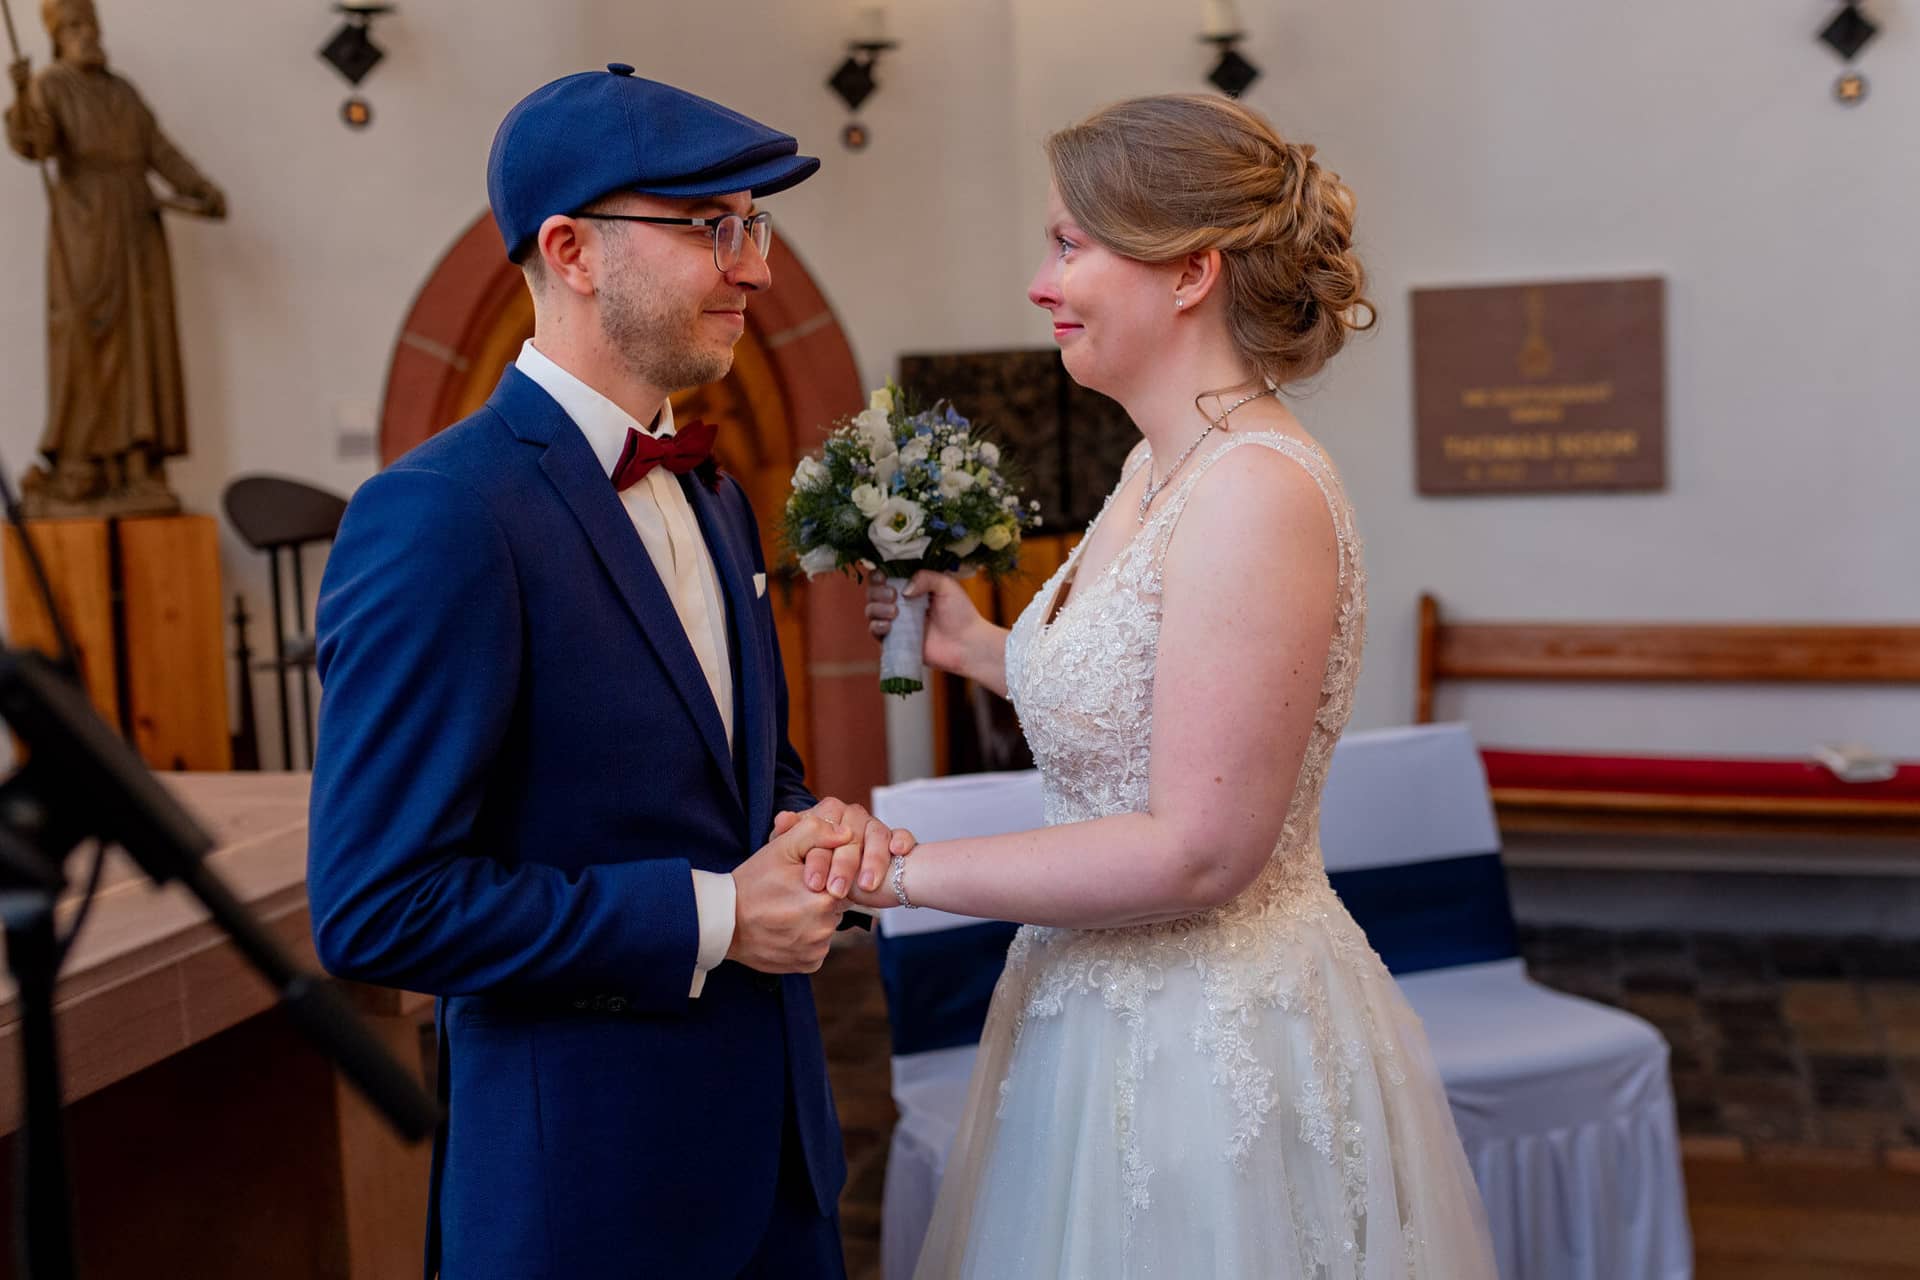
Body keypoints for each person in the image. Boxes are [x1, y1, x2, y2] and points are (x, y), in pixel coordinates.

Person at [861, 94, 1499, 1277]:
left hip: (1209, 1046)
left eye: (1070, 245)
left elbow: (1199, 850)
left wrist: (895, 872)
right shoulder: (1157, 462)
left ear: (1191, 270)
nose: (1041, 283)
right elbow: (1149, 689)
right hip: (1089, 1013)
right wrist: (983, 646)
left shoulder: (1254, 488)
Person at [307, 66, 909, 1280]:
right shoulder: (443, 514)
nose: (755, 267)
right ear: (572, 250)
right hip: (588, 1197)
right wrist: (720, 914)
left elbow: (742, 782)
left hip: (783, 1173)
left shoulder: (715, 491)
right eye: (710, 227)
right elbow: (376, 906)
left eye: (754, 226)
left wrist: (807, 829)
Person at [5, 0, 226, 511]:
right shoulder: (51, 84)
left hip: (136, 227)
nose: (86, 35)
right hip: (83, 229)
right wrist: (20, 95)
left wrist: (201, 188)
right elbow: (36, 143)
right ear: (58, 38)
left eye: (90, 25)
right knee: (82, 337)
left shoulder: (122, 91)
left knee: (141, 343)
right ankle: (79, 462)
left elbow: (159, 150)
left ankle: (137, 464)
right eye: (73, 28)